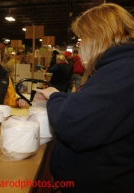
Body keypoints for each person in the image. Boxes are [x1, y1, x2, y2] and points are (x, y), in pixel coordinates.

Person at [36, 3, 134, 192]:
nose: (82, 46)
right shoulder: (118, 66)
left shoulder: (122, 70)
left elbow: (72, 121)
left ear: (96, 37)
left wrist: (56, 97)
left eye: (83, 39)